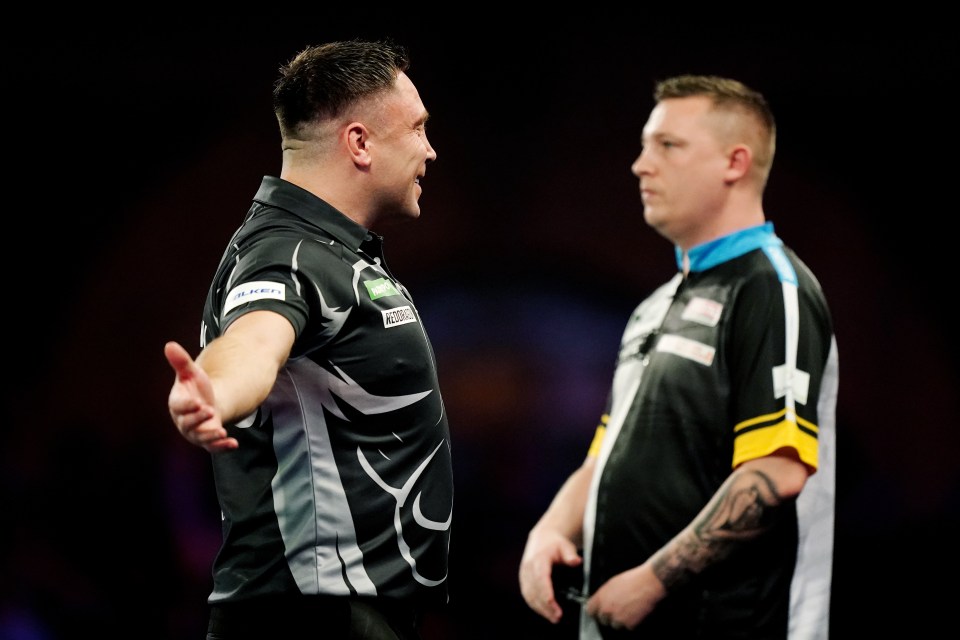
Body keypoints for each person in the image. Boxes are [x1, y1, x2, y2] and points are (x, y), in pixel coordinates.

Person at [519, 74, 838, 639]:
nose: (641, 165)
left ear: (734, 163)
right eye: (645, 145)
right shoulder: (655, 306)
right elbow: (604, 456)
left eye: (667, 145)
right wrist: (547, 530)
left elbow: (778, 471)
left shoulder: (772, 286)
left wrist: (650, 581)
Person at [164, 39, 453, 640]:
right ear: (360, 143)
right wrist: (212, 392)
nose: (431, 149)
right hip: (309, 615)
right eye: (419, 128)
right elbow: (253, 341)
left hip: (342, 611)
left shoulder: (329, 251)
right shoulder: (285, 254)